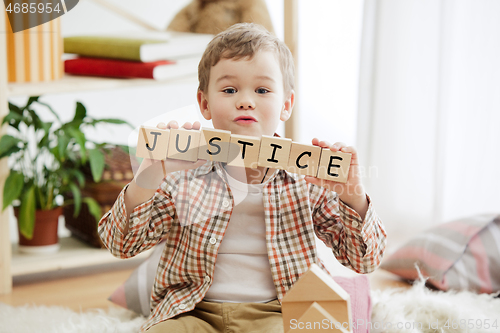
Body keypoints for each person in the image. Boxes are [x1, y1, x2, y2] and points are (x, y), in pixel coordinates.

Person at [98, 23, 387, 332]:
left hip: (280, 313)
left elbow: (363, 261)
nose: (245, 100)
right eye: (229, 90)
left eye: (262, 90)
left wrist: (353, 196)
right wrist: (147, 180)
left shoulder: (307, 180)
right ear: (205, 104)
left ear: (286, 104)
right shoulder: (181, 175)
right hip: (193, 312)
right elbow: (121, 245)